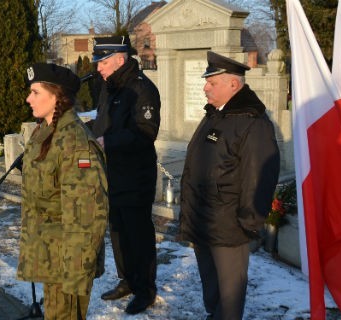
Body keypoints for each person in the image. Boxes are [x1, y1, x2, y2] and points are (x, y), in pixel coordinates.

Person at [178, 51, 280, 320]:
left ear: (233, 85)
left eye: (212, 82)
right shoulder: (215, 115)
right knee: (212, 291)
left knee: (230, 296)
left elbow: (259, 176)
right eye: (207, 82)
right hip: (203, 220)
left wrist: (248, 221)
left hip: (229, 226)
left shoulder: (251, 122)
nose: (205, 87)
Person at [16, 63, 109, 319]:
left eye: (35, 92)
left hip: (68, 264)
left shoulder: (75, 142)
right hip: (52, 257)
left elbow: (88, 216)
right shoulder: (47, 132)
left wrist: (75, 276)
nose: (28, 98)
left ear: (56, 95)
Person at [88, 35, 161, 315]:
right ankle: (127, 280)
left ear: (120, 60)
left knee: (138, 235)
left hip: (135, 175)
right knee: (118, 232)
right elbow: (105, 122)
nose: (98, 68)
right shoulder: (111, 88)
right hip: (111, 174)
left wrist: (109, 142)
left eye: (103, 62)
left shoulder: (143, 89)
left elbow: (145, 132)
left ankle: (145, 289)